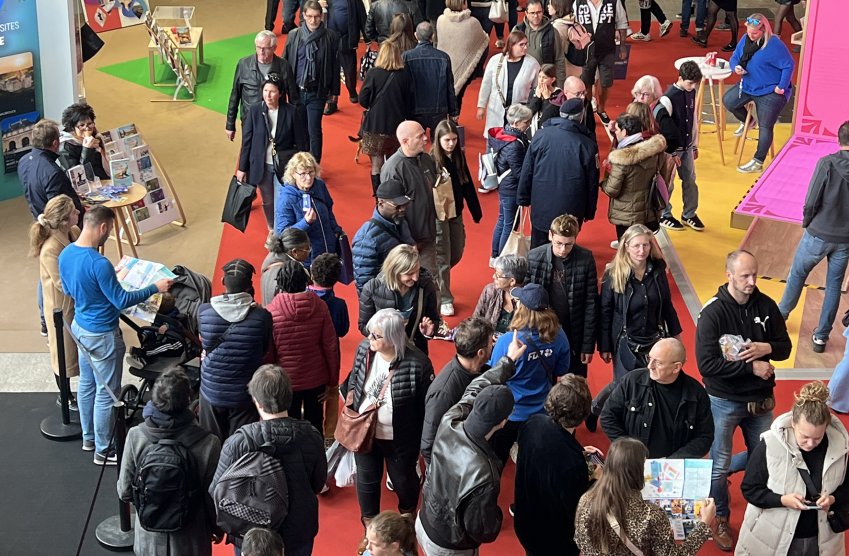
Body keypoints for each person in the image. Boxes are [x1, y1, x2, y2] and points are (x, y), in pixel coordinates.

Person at [58, 205, 172, 464]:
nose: (108, 234)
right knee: (106, 391)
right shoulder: (99, 264)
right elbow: (120, 300)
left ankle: (89, 438)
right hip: (102, 334)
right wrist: (155, 287)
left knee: (86, 385)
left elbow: (68, 288)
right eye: (108, 230)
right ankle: (103, 449)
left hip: (80, 327)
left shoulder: (65, 254)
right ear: (102, 227)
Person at [695, 249, 792, 551]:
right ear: (729, 276)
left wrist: (765, 348)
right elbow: (706, 365)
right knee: (718, 466)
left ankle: (751, 497)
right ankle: (721, 517)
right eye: (745, 276)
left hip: (760, 401)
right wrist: (750, 367)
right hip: (722, 401)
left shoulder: (766, 306)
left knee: (764, 457)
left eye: (754, 275)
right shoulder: (712, 313)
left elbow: (784, 348)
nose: (751, 282)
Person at [340, 309, 435, 554]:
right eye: (370, 333)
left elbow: (427, 407)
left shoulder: (418, 364)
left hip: (400, 439)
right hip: (366, 433)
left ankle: (406, 523)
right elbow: (355, 381)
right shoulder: (364, 350)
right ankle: (370, 532)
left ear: (393, 338)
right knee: (367, 481)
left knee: (404, 481)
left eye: (376, 336)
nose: (370, 339)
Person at [417, 337, 523, 554]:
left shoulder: (451, 418)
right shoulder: (486, 470)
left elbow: (477, 386)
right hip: (450, 545)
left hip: (425, 518)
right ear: (504, 421)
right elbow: (483, 530)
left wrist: (508, 361)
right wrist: (497, 516)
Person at [213, 365, 326, 556]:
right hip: (297, 529)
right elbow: (318, 482)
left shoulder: (238, 442)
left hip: (250, 532)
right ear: (289, 397)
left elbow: (217, 488)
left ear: (257, 401)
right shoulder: (311, 435)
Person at [737, 381, 849, 555]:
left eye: (817, 438)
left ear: (826, 427)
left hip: (820, 540)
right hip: (774, 538)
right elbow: (750, 489)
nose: (811, 443)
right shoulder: (770, 444)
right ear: (793, 423)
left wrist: (832, 499)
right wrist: (782, 500)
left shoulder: (841, 448)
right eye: (804, 436)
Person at [117, 368, 221, 556]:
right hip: (191, 540)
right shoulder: (209, 443)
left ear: (154, 400)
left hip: (148, 539)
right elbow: (211, 498)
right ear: (188, 401)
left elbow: (125, 491)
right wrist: (216, 528)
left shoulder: (136, 436)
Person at [777, 121, 849, 354]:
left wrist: (807, 222)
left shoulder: (826, 163)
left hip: (818, 233)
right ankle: (821, 336)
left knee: (798, 273)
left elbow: (811, 199)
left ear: (839, 140)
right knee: (834, 285)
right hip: (845, 238)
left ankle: (780, 318)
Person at [575, 437, 716, 555]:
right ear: (637, 471)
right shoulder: (651, 515)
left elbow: (580, 541)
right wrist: (704, 525)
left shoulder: (585, 500)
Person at [514, 375, 598, 556]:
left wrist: (578, 451)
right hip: (554, 540)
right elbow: (577, 510)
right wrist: (595, 479)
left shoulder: (532, 423)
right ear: (583, 414)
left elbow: (547, 454)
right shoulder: (573, 463)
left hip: (525, 521)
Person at [420, 317, 523, 465]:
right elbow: (428, 446)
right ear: (481, 353)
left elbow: (487, 379)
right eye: (490, 343)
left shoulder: (478, 370)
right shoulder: (443, 392)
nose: (493, 345)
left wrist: (510, 359)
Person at [488, 283, 571, 464]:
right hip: (542, 412)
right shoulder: (559, 335)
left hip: (510, 414)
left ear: (522, 308)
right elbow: (561, 370)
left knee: (495, 461)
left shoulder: (508, 341)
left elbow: (493, 375)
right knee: (534, 462)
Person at [197, 259, 273, 443]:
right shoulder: (262, 317)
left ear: (223, 281)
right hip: (244, 395)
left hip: (211, 392)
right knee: (240, 447)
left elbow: (204, 342)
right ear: (249, 286)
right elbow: (264, 349)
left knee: (212, 444)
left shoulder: (204, 311)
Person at [601, 338, 714, 458]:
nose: (650, 366)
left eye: (658, 363)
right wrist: (630, 450)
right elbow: (608, 416)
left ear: (676, 367)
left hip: (672, 471)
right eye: (649, 358)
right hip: (631, 462)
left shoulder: (696, 394)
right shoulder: (632, 381)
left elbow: (704, 437)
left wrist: (673, 461)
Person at [598, 224, 681, 383]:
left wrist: (676, 338)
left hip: (654, 341)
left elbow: (667, 307)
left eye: (645, 245)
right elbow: (605, 312)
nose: (641, 250)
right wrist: (605, 346)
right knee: (625, 387)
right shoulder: (613, 273)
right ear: (626, 247)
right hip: (625, 343)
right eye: (636, 246)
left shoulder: (658, 270)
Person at [267, 259, 339, 433]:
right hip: (316, 378)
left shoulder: (271, 311)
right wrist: (332, 382)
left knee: (288, 426)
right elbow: (331, 346)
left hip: (285, 381)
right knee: (315, 424)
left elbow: (269, 352)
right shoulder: (320, 306)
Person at [517, 98, 600, 247]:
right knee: (565, 246)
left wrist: (523, 197)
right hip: (572, 207)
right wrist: (589, 210)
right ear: (581, 116)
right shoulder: (587, 144)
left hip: (541, 204)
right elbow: (592, 182)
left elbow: (527, 168)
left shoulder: (541, 136)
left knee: (538, 247)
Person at [722, 14, 795, 174]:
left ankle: (758, 161)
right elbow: (735, 57)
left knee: (766, 127)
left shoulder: (774, 44)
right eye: (749, 32)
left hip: (770, 91)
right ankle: (749, 122)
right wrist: (736, 67)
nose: (750, 35)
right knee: (728, 101)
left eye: (754, 33)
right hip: (748, 85)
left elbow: (789, 65)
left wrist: (781, 87)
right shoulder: (745, 39)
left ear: (763, 30)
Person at [527, 214, 598, 378]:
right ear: (550, 235)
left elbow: (591, 303)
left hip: (574, 331)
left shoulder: (585, 259)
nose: (563, 250)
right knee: (544, 379)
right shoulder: (534, 257)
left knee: (574, 382)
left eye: (568, 244)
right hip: (544, 330)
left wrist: (587, 345)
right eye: (558, 243)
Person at [29, 195, 80, 410]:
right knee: (63, 354)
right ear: (64, 220)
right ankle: (65, 395)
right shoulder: (50, 249)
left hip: (77, 304)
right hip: (62, 309)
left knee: (77, 350)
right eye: (74, 212)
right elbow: (62, 283)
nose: (78, 212)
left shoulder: (74, 233)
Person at [237, 75, 307, 231]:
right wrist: (242, 168)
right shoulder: (255, 111)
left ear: (280, 93)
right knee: (268, 201)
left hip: (284, 165)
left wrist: (304, 168)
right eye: (265, 90)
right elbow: (247, 141)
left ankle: (279, 232)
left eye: (272, 91)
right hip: (262, 166)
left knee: (281, 200)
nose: (268, 95)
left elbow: (301, 141)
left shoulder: (291, 112)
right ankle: (272, 228)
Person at [430, 118, 482, 317]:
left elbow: (466, 183)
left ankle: (438, 277)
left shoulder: (458, 156)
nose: (451, 143)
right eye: (447, 140)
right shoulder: (432, 159)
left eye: (453, 139)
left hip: (456, 213)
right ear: (439, 140)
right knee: (442, 256)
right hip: (439, 216)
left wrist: (475, 211)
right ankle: (445, 298)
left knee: (457, 251)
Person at [282, 1, 340, 162]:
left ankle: (314, 165)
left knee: (314, 130)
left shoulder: (331, 37)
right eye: (309, 17)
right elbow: (285, 62)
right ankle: (301, 163)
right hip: (296, 92)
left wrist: (334, 93)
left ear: (321, 16)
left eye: (316, 17)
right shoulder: (294, 35)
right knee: (299, 130)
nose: (313, 21)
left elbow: (335, 67)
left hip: (317, 92)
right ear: (303, 16)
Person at [380, 121, 439, 279]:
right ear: (405, 141)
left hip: (430, 234)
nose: (426, 139)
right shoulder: (393, 169)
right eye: (420, 136)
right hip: (411, 242)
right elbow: (391, 211)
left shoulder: (426, 159)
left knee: (433, 278)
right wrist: (409, 242)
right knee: (424, 282)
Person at [359, 244, 439, 354]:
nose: (415, 278)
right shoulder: (372, 289)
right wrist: (383, 335)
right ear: (395, 271)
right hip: (384, 352)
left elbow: (434, 318)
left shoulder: (426, 286)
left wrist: (429, 332)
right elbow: (363, 325)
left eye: (417, 271)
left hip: (415, 350)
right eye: (410, 273)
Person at [359, 40, 413, 193]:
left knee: (376, 164)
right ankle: (392, 192)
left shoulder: (373, 73)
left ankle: (378, 196)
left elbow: (363, 100)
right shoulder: (404, 74)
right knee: (393, 162)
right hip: (395, 127)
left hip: (375, 124)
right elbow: (409, 100)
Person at [657, 62, 705, 232]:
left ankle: (689, 214)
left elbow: (693, 121)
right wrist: (670, 151)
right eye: (690, 83)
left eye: (695, 84)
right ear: (680, 78)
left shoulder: (691, 92)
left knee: (690, 180)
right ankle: (664, 214)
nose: (693, 87)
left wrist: (694, 145)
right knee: (668, 183)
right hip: (672, 151)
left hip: (687, 147)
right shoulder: (667, 99)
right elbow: (662, 127)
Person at [601, 114, 667, 238]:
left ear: (625, 132)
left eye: (618, 130)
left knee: (627, 249)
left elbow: (612, 190)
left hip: (627, 215)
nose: (616, 133)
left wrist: (604, 181)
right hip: (648, 212)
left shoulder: (621, 159)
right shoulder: (654, 151)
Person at [226, 31, 298, 141]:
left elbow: (293, 99)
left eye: (266, 48)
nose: (261, 52)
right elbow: (235, 95)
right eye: (258, 47)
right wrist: (230, 124)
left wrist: (295, 126)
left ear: (274, 48)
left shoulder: (284, 66)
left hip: (276, 120)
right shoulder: (243, 64)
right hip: (250, 121)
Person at [274, 151, 344, 265]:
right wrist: (305, 222)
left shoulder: (320, 185)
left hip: (329, 251)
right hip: (308, 258)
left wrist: (336, 231)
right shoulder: (286, 199)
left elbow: (329, 208)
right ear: (293, 174)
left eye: (311, 172)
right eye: (303, 174)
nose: (308, 178)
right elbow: (283, 234)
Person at [308, 252, 349, 444]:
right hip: (331, 357)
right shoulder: (339, 305)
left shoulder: (305, 300)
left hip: (310, 357)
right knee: (332, 393)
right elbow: (342, 330)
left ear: (312, 274)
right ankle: (329, 435)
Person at [486, 104, 532, 260]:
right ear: (516, 122)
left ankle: (495, 254)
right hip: (511, 188)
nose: (529, 124)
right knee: (510, 225)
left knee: (503, 221)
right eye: (526, 122)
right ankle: (502, 258)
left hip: (505, 185)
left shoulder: (505, 135)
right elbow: (519, 172)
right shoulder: (514, 144)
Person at [351, 179, 415, 292]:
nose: (403, 209)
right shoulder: (366, 238)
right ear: (381, 203)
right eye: (397, 206)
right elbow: (365, 284)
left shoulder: (400, 221)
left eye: (405, 204)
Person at [574, 0, 629, 124]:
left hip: (607, 50)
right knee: (586, 81)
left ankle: (601, 108)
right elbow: (574, 24)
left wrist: (623, 46)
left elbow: (622, 23)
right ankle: (587, 109)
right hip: (587, 51)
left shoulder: (614, 2)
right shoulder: (578, 2)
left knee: (606, 82)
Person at [476, 31, 540, 138]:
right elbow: (486, 84)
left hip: (518, 113)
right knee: (494, 142)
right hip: (496, 110)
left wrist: (530, 109)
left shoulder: (533, 64)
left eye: (526, 44)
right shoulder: (495, 61)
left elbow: (536, 89)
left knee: (514, 144)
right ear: (511, 45)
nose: (525, 47)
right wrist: (481, 106)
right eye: (521, 45)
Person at [19, 119, 85, 221]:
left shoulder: (23, 161)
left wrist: (71, 193)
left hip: (39, 218)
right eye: (59, 137)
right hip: (61, 228)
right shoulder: (53, 172)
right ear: (55, 143)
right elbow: (59, 211)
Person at [403, 21, 458, 136]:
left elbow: (403, 86)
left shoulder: (406, 57)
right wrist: (453, 111)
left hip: (414, 109)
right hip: (438, 110)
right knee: (438, 144)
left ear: (415, 35)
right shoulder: (443, 57)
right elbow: (449, 87)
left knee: (415, 143)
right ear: (432, 36)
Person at [435, 0, 489, 113]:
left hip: (442, 65)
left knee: (443, 94)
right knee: (458, 96)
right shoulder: (473, 22)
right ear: (463, 3)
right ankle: (455, 118)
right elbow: (483, 41)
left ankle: (446, 119)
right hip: (465, 69)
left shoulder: (441, 20)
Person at [324, 0, 367, 114]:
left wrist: (367, 38)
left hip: (347, 39)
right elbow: (308, 10)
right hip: (328, 39)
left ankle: (352, 90)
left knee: (349, 70)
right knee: (330, 71)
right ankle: (332, 101)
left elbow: (362, 17)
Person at [473, 255, 528, 338]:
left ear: (512, 281)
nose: (493, 277)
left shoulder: (528, 299)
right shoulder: (490, 290)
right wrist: (488, 336)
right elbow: (476, 320)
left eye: (498, 275)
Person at [514, 0, 566, 86]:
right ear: (526, 13)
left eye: (539, 12)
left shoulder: (552, 32)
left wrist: (560, 88)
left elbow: (559, 60)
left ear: (543, 12)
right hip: (521, 82)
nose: (536, 16)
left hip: (545, 82)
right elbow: (510, 57)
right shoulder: (518, 31)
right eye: (532, 13)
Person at [57, 102, 109, 180]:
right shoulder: (65, 147)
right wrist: (87, 149)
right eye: (82, 125)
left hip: (103, 181)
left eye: (90, 124)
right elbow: (77, 176)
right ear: (72, 127)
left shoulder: (95, 136)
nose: (87, 128)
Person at [260, 228, 312, 306]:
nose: (309, 252)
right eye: (307, 249)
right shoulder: (290, 274)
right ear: (295, 252)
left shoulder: (270, 262)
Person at [548, 0, 585, 79]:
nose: (548, 6)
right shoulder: (574, 21)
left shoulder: (557, 27)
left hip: (566, 72)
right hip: (578, 69)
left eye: (550, 4)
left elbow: (557, 53)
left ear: (557, 6)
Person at [526, 64, 564, 132]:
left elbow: (550, 116)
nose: (541, 80)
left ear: (552, 79)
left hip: (548, 130)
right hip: (532, 128)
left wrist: (547, 99)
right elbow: (529, 112)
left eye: (544, 78)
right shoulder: (534, 91)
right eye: (539, 77)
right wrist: (537, 98)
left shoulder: (559, 94)